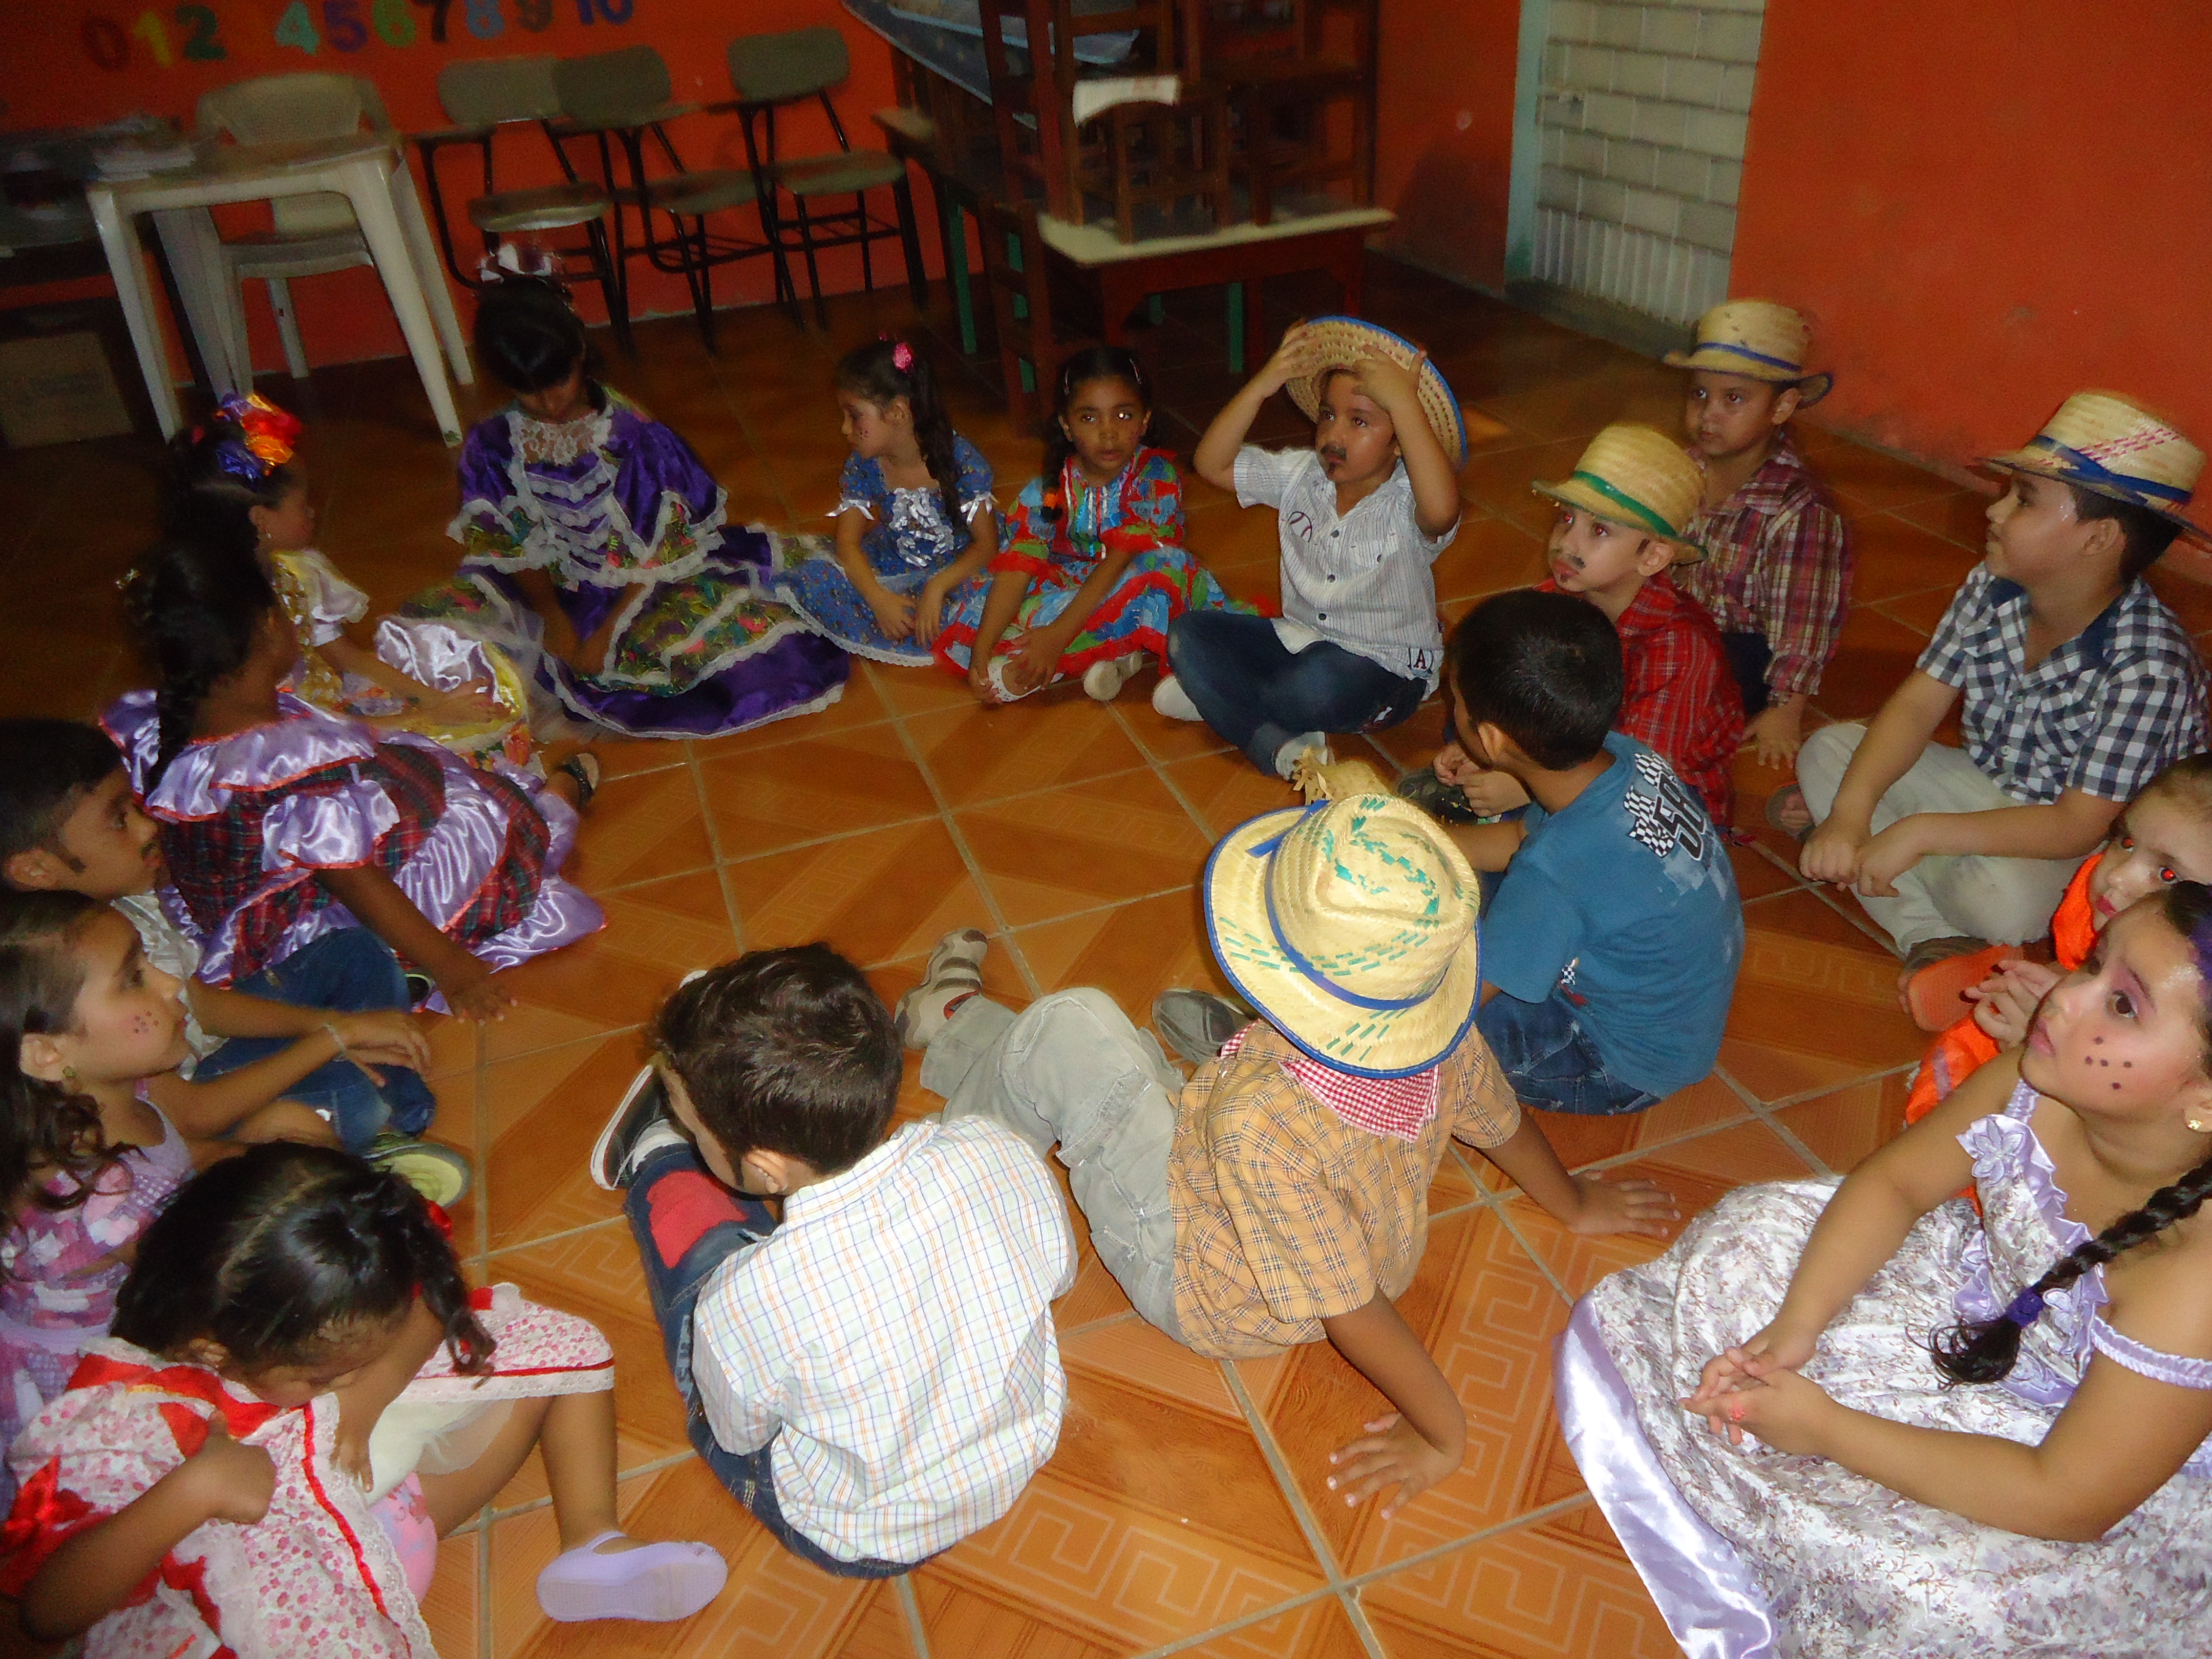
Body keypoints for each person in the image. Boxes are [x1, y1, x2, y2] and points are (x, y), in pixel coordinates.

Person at [897, 796, 1675, 1520]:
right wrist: (1573, 1202)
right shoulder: (1439, 1034)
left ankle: (928, 1182)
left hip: (1201, 1279)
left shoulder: (1258, 1123)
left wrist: (1444, 1433)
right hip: (1348, 1246)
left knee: (1072, 1025)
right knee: (1113, 1066)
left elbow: (1352, 1312)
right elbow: (1498, 1121)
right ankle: (961, 1024)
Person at [1556, 884, 2212, 1657]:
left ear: (2205, 1100)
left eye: (2124, 1005)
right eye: (2094, 964)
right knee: (1749, 1231)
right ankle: (1789, 1453)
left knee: (1952, 1602)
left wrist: (1828, 1430)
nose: (2066, 998)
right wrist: (1796, 1329)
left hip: (2082, 1457)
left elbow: (2067, 1499)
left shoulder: (2194, 1281)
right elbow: (1896, 1185)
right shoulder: (2037, 1079)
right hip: (1968, 1303)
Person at [1, 1142, 728, 1655]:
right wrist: (194, 1490)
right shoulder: (122, 1414)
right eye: (324, 1375)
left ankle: (592, 1542)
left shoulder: (314, 1289)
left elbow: (430, 1306)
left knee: (554, 1345)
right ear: (216, 1351)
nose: (346, 1380)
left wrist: (368, 1398)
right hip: (286, 1607)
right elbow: (47, 1613)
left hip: (385, 1516)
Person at [588, 945, 1073, 1575]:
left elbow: (740, 1434)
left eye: (693, 1131)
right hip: (1007, 1460)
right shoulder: (992, 1149)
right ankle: (691, 1134)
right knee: (769, 1311)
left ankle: (656, 1159)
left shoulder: (748, 1298)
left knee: (705, 1292)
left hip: (857, 1533)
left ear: (766, 1169)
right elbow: (1058, 1275)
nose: (695, 1133)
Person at [1793, 392, 2211, 1004]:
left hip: (2078, 839)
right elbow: (1917, 705)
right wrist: (1852, 812)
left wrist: (1919, 832)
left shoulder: (2148, 667)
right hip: (1987, 783)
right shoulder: (1993, 586)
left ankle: (1909, 903)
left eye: (2024, 499)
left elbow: (2075, 826)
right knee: (1827, 751)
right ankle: (1903, 893)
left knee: (2003, 903)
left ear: (2098, 539)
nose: (1995, 510)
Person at [108, 536, 602, 1023]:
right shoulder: (282, 763)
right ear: (269, 627)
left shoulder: (160, 728)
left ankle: (385, 969)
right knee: (480, 825)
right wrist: (453, 969)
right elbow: (351, 876)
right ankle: (557, 799)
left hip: (248, 920)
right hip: (317, 918)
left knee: (419, 786)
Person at [0, 719, 465, 1192]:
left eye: (134, 808)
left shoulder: (115, 912)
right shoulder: (67, 996)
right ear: (36, 869)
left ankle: (391, 1094)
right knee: (353, 1097)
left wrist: (324, 1025)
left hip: (198, 1044)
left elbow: (201, 1003)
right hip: (202, 1100)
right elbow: (194, 1116)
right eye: (119, 820)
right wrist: (333, 1038)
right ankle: (380, 1127)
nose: (147, 826)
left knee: (355, 950)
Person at [0, 890, 333, 1509]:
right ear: (48, 1053)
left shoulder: (111, 1089)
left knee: (288, 1129)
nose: (169, 982)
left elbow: (173, 1155)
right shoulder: (107, 1204)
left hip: (154, 1278)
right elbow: (203, 1310)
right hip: (105, 1370)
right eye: (133, 978)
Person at [408, 274, 848, 738]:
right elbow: (511, 544)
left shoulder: (634, 437)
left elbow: (655, 555)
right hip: (547, 586)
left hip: (643, 586)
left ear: (579, 352)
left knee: (758, 664)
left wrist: (606, 635)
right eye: (528, 390)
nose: (549, 403)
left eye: (558, 381)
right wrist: (553, 618)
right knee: (439, 640)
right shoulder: (493, 444)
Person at [1443, 590, 1743, 1114]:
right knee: (1458, 880)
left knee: (1431, 1012)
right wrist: (1419, 837)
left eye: (1456, 702)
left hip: (1618, 1063)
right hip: (1672, 1019)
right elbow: (1521, 840)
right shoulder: (1624, 757)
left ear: (1491, 741)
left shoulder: (1554, 873)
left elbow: (1458, 1002)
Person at [1401, 424, 1743, 833]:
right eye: (1567, 518)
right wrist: (1475, 746)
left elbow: (1642, 768)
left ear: (1652, 557)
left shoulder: (1680, 646)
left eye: (1599, 530)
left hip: (1659, 791)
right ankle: (1507, 796)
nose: (1566, 543)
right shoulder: (1558, 598)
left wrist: (1525, 785)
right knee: (1475, 705)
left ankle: (1520, 817)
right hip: (1572, 748)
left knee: (1588, 825)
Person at [163, 392, 530, 767]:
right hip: (297, 748)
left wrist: (433, 700)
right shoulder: (241, 624)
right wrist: (423, 719)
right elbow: (296, 735)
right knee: (464, 760)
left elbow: (346, 657)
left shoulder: (297, 573)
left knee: (483, 690)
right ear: (260, 520)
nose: (312, 511)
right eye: (301, 504)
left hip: (332, 712)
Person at [1171, 317, 1464, 778]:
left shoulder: (1410, 500)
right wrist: (1262, 386)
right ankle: (1270, 731)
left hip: (1382, 669)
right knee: (1187, 634)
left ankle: (1225, 702)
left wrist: (1406, 404)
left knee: (1315, 689)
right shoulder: (1300, 475)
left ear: (1400, 443)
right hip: (1300, 640)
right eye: (1328, 415)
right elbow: (1211, 463)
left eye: (1359, 421)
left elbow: (1444, 511)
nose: (1334, 435)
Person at [1903, 753, 2212, 1126]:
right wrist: (2053, 988)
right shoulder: (2109, 901)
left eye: (2166, 874)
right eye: (2127, 842)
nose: (2117, 876)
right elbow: (2075, 958)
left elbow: (2130, 1125)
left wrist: (2041, 1043)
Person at [932, 346, 1237, 705]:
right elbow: (1019, 565)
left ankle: (1059, 656)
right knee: (988, 601)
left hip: (1127, 579)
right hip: (1070, 592)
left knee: (1166, 568)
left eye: (1123, 415)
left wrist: (1057, 636)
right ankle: (1104, 655)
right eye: (1089, 418)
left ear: (1145, 420)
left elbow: (1120, 560)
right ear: (1066, 425)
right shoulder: (1048, 491)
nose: (1108, 433)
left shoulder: (1155, 478)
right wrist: (981, 654)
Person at [1666, 299, 1852, 768]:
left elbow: (1804, 626)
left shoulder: (1801, 513)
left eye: (1734, 399)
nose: (1708, 414)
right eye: (1699, 394)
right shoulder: (1680, 472)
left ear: (1782, 407)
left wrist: (1785, 711)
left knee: (1680, 680)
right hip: (1678, 623)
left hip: (1741, 650)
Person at [774, 336, 1000, 666]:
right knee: (816, 579)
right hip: (894, 564)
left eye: (854, 416)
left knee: (994, 597)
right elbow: (847, 544)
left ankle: (937, 622)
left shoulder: (961, 461)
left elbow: (987, 545)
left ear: (896, 413)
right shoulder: (864, 465)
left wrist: (937, 588)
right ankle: (898, 617)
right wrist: (878, 599)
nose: (845, 429)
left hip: (958, 569)